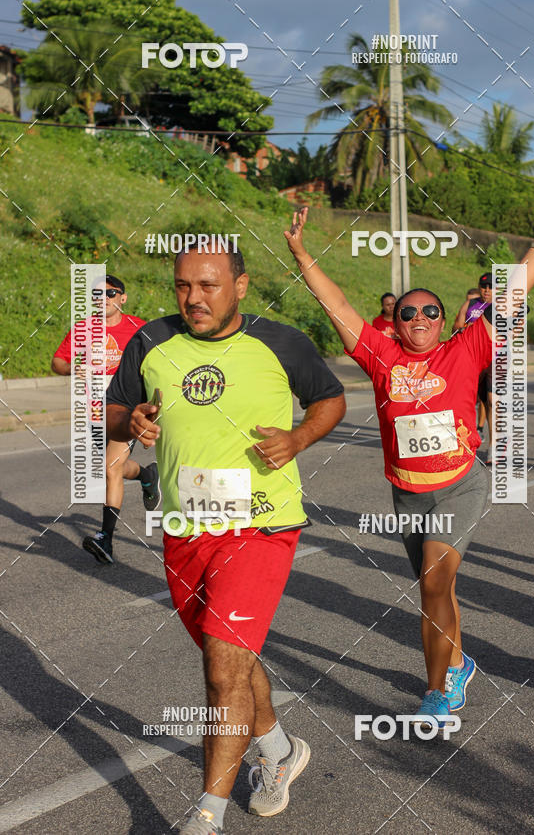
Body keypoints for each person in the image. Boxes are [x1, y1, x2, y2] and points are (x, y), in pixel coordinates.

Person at [105, 240, 345, 834]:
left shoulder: (281, 341)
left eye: (209, 286)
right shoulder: (151, 341)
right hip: (185, 529)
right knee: (228, 655)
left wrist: (297, 438)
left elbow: (331, 399)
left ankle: (206, 814)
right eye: (184, 286)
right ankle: (281, 751)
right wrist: (130, 420)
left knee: (220, 669)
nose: (194, 299)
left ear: (240, 285)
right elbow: (112, 410)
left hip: (261, 524)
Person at [283, 204, 534, 727]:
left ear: (444, 318)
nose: (421, 320)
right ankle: (457, 663)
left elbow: (515, 292)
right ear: (396, 322)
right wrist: (301, 254)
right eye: (408, 313)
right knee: (438, 589)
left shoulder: (468, 346)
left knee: (432, 581)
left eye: (431, 312)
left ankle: (434, 693)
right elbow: (334, 301)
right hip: (406, 494)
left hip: (460, 485)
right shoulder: (380, 356)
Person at [52, 274, 160, 564]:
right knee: (115, 467)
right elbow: (57, 362)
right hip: (96, 412)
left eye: (110, 293)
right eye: (97, 295)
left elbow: (161, 361)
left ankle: (106, 539)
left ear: (123, 298)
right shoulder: (83, 329)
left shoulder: (140, 328)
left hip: (127, 410)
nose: (104, 299)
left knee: (111, 469)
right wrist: (76, 368)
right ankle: (147, 475)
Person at [453, 275, 494, 449]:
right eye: (483, 286)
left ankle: (494, 446)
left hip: (494, 359)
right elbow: (456, 327)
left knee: (492, 401)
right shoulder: (470, 304)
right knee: (468, 400)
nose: (486, 290)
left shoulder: (502, 306)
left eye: (491, 287)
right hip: (471, 360)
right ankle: (468, 438)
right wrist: (466, 329)